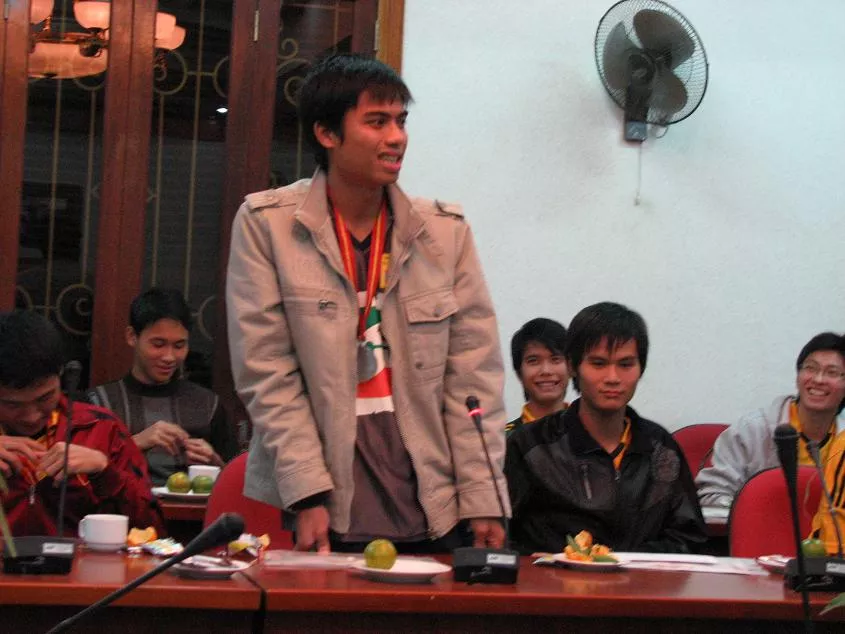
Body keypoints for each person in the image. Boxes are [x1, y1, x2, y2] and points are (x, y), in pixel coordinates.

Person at [226, 53, 507, 554]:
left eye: (401, 121)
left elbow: (473, 378)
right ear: (327, 134)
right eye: (377, 122)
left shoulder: (444, 234)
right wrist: (307, 491)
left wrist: (483, 495)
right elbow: (266, 371)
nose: (397, 137)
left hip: (435, 504)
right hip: (325, 504)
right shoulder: (268, 225)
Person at [505, 302, 706, 554]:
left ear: (641, 368)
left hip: (641, 579)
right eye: (598, 363)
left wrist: (621, 561)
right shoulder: (530, 446)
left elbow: (689, 539)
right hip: (553, 579)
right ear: (572, 366)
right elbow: (497, 538)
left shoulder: (660, 448)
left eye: (625, 364)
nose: (613, 378)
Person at [0, 311, 163, 536]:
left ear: (61, 376)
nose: (31, 416)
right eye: (12, 405)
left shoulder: (101, 428)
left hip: (82, 559)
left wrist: (104, 471)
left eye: (44, 398)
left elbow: (154, 529)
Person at [87, 288, 237, 487]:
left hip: (192, 508)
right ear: (132, 336)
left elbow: (237, 484)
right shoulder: (99, 403)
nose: (169, 357)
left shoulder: (208, 405)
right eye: (158, 344)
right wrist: (136, 443)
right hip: (122, 506)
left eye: (179, 346)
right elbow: (80, 475)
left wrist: (215, 463)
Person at [696, 332, 845, 509]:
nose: (818, 379)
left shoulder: (842, 439)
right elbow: (711, 495)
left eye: (832, 372)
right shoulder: (751, 430)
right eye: (810, 368)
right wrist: (751, 515)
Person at [506, 318, 569, 435]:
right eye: (533, 361)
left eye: (555, 359)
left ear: (571, 368)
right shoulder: (503, 441)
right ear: (519, 373)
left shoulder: (595, 432)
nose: (546, 371)